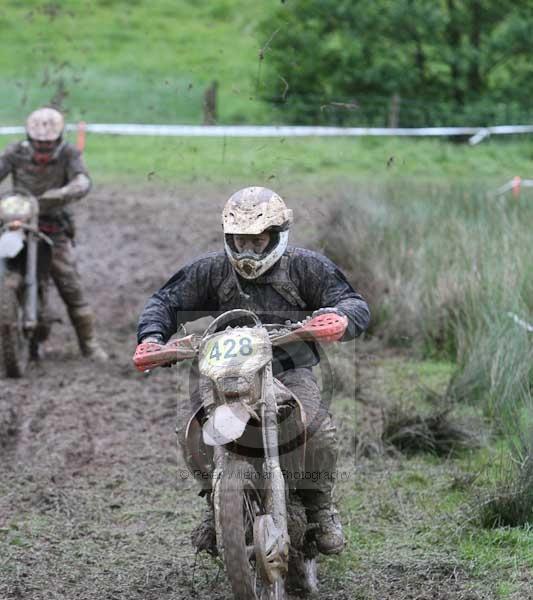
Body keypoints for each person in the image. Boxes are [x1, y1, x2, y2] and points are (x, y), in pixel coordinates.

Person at [135, 186, 370, 555]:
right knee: (190, 427)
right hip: (224, 372)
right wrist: (152, 338)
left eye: (257, 240)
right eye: (240, 240)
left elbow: (351, 301)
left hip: (288, 369)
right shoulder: (212, 270)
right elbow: (165, 301)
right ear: (229, 237)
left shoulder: (305, 267)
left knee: (318, 429)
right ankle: (216, 503)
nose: (248, 250)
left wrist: (339, 317)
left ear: (275, 236)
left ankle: (320, 509)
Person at [0, 106, 107, 361]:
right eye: (38, 142)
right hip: (19, 219)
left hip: (53, 224)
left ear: (58, 139)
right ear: (29, 136)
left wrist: (64, 192)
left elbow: (82, 180)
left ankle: (89, 344)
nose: (43, 147)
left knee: (69, 282)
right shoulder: (15, 152)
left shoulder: (69, 153)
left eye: (48, 143)